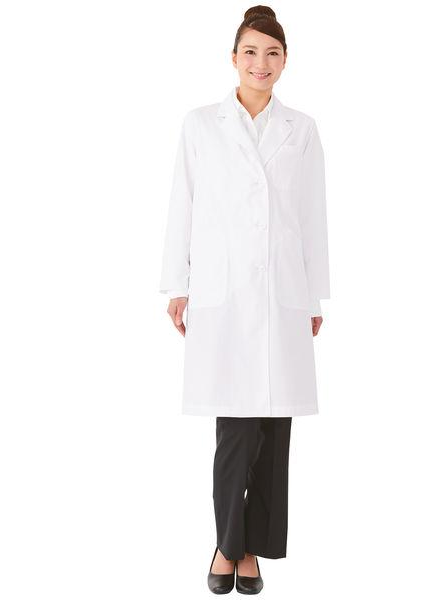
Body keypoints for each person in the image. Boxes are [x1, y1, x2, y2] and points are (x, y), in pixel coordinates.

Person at [159, 5, 330, 594]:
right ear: (234, 58)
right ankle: (230, 543)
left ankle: (252, 546)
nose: (262, 63)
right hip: (224, 294)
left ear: (285, 61)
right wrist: (177, 284)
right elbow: (182, 203)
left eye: (273, 53)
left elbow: (312, 217)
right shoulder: (201, 125)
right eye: (251, 52)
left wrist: (314, 296)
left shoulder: (302, 129)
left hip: (283, 292)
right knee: (235, 429)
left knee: (274, 432)